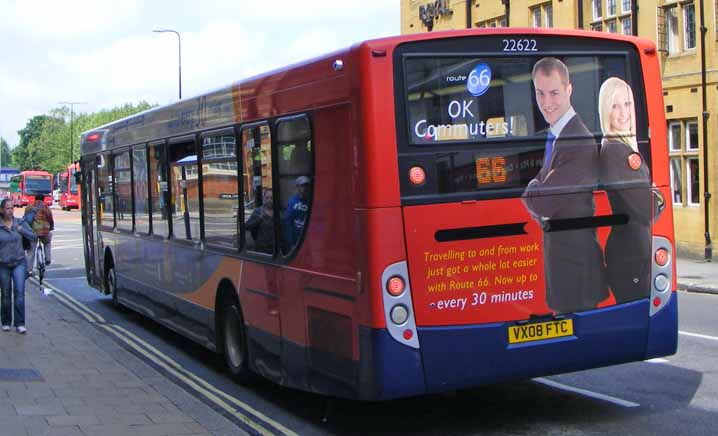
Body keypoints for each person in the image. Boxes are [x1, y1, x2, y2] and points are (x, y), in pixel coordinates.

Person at [521, 57, 607, 314]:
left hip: (578, 273)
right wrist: (538, 190)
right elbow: (541, 201)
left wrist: (536, 188)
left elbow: (543, 202)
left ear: (569, 90)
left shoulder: (578, 140)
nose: (547, 103)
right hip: (563, 270)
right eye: (540, 93)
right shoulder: (557, 135)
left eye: (555, 93)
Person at [598, 77, 651, 303]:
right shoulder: (616, 151)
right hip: (630, 256)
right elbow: (648, 209)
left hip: (632, 252)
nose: (623, 113)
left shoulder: (622, 147)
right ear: (605, 112)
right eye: (615, 106)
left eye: (627, 104)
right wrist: (658, 197)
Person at [0, 198, 37, 334]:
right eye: (7, 208)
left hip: (19, 263)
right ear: (2, 210)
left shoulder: (19, 223)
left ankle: (20, 323)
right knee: (5, 294)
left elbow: (33, 237)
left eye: (12, 208)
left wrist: (22, 230)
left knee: (19, 293)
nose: (10, 211)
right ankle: (5, 321)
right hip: (3, 264)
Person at [24, 194, 54, 276]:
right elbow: (50, 219)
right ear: (43, 199)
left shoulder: (29, 207)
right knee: (47, 243)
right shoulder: (46, 207)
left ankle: (29, 270)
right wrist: (51, 227)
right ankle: (48, 259)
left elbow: (25, 218)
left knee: (31, 251)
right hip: (44, 231)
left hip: (32, 231)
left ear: (35, 199)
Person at [285, 176, 311, 251]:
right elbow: (288, 222)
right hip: (296, 240)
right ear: (298, 187)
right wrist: (291, 242)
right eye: (302, 185)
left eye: (306, 185)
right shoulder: (292, 201)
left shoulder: (312, 201)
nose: (305, 188)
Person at [245, 188, 275, 254]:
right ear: (264, 198)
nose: (269, 200)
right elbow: (247, 226)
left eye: (271, 198)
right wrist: (259, 219)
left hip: (275, 249)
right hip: (261, 249)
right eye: (267, 198)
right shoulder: (258, 211)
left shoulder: (278, 212)